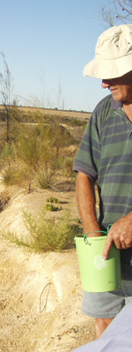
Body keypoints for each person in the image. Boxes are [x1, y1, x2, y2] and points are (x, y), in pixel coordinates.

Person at [74, 24, 132, 340]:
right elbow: (85, 174)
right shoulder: (103, 113)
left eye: (113, 72)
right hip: (106, 257)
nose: (104, 82)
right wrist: (93, 233)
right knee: (106, 331)